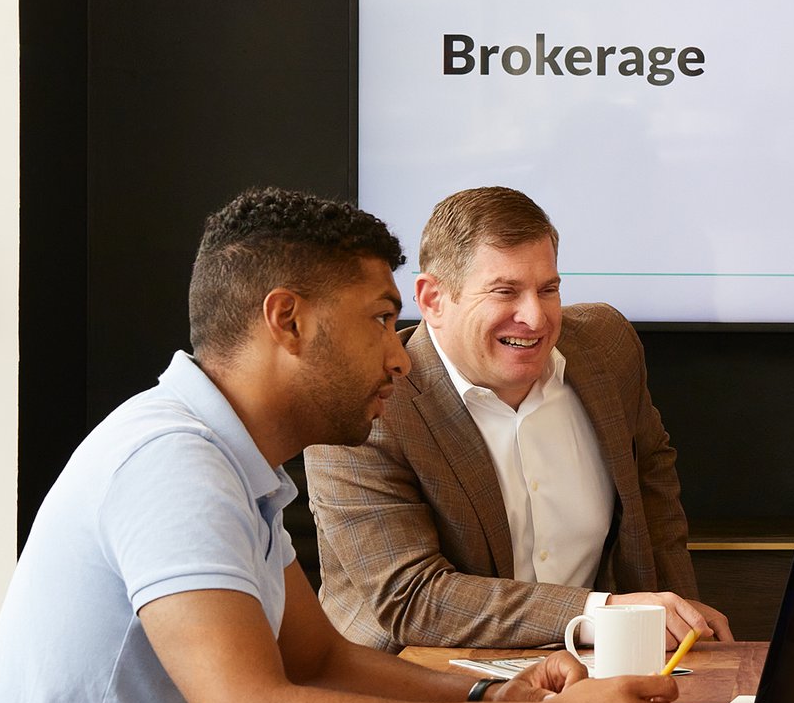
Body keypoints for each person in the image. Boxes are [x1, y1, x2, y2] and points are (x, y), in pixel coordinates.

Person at [0, 189, 677, 703]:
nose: (401, 355)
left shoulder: (233, 464)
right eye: (379, 318)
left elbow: (321, 661)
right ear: (287, 319)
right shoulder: (172, 463)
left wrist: (492, 699)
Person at [306, 186, 730, 649]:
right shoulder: (365, 407)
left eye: (548, 289)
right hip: (415, 686)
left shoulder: (607, 349)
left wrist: (682, 619)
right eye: (505, 291)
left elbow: (654, 490)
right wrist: (602, 615)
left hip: (599, 669)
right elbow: (414, 599)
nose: (535, 317)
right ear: (432, 300)